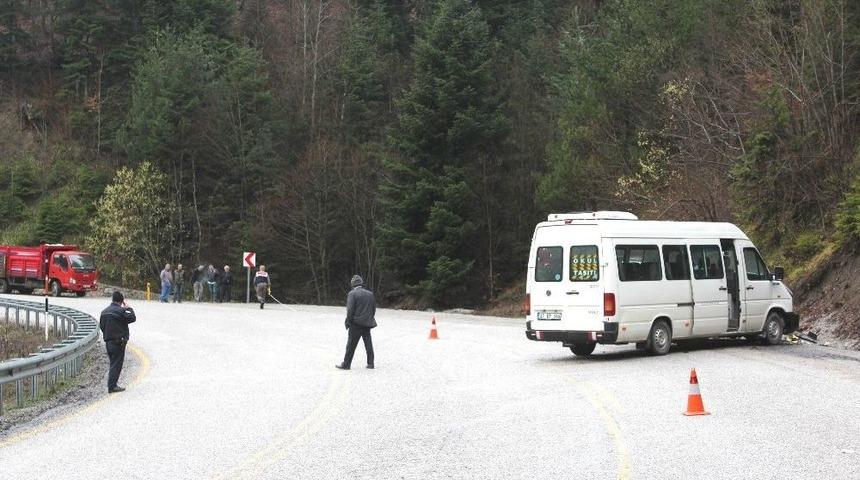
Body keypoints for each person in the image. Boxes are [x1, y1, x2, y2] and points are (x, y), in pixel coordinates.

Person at [336, 275, 376, 370]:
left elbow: (350, 310)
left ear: (353, 284)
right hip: (367, 323)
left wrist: (348, 322)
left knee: (351, 345)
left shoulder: (352, 294)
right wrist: (369, 318)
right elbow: (373, 309)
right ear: (361, 283)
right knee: (368, 344)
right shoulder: (370, 294)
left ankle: (346, 364)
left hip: (356, 324)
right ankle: (371, 363)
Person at [99, 291, 136, 393]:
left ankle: (112, 384)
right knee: (116, 364)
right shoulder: (121, 311)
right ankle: (112, 386)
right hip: (119, 342)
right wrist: (128, 307)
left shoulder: (104, 312)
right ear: (121, 301)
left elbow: (101, 326)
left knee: (113, 363)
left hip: (108, 342)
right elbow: (132, 318)